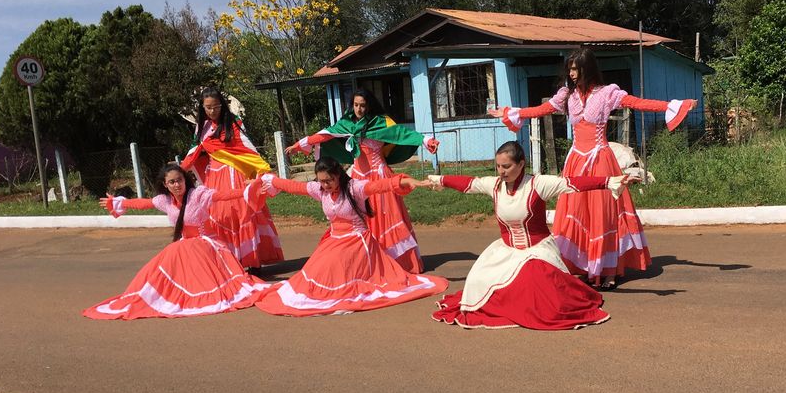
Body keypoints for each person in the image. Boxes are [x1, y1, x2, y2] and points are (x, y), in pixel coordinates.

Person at [490, 47, 697, 288]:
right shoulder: (567, 95)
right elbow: (540, 110)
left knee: (604, 216)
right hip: (577, 161)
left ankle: (608, 270)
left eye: (576, 68)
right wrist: (508, 112)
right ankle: (586, 266)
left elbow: (637, 103)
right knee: (577, 214)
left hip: (600, 161)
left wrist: (674, 106)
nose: (572, 73)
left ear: (587, 68)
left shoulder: (607, 93)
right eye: (570, 68)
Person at [427, 141, 639, 330]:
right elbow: (469, 183)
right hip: (506, 251)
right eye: (498, 166)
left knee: (534, 280)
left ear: (521, 164)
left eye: (507, 166)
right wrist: (440, 179)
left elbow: (573, 183)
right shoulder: (494, 185)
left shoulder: (538, 184)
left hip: (537, 250)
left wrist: (608, 181)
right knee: (478, 282)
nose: (501, 171)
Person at [255, 157, 448, 317]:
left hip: (357, 241)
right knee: (315, 272)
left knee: (334, 267)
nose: (325, 185)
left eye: (328, 180)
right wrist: (266, 180)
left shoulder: (355, 188)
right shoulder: (319, 189)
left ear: (338, 175)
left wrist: (409, 181)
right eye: (321, 181)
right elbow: (291, 186)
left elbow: (383, 185)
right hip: (333, 240)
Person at [82, 163, 269, 320]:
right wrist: (119, 203)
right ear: (165, 185)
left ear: (185, 180)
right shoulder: (164, 200)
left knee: (185, 259)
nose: (177, 185)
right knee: (163, 263)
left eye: (179, 180)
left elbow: (222, 196)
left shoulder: (198, 195)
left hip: (207, 245)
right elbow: (144, 203)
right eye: (172, 182)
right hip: (184, 245)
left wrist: (247, 190)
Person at [285, 89, 439, 274]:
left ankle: (395, 264)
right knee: (359, 220)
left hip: (378, 175)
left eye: (363, 105)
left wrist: (425, 139)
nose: (359, 109)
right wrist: (300, 144)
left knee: (384, 217)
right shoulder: (348, 123)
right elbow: (325, 134)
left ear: (369, 105)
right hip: (357, 177)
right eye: (356, 105)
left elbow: (402, 134)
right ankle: (367, 264)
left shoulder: (380, 123)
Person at [181, 87, 284, 269]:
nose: (212, 111)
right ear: (202, 108)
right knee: (218, 216)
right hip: (214, 176)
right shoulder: (202, 128)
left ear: (222, 105)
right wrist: (178, 170)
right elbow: (193, 152)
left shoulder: (235, 122)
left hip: (235, 174)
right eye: (208, 107)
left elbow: (247, 148)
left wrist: (259, 172)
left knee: (243, 212)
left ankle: (252, 262)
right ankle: (229, 262)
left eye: (216, 107)